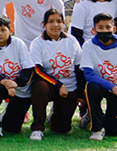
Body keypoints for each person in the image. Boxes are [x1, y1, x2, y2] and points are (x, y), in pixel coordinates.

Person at [28, 9, 81, 140]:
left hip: (69, 87)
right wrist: (58, 85)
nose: (55, 25)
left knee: (62, 128)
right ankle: (38, 128)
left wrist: (81, 94)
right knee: (39, 87)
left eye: (59, 21)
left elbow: (80, 68)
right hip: (49, 85)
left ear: (64, 23)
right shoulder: (37, 43)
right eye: (51, 21)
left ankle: (53, 117)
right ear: (44, 24)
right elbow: (38, 71)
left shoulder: (72, 41)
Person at [81, 13, 117, 141]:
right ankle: (97, 128)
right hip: (102, 87)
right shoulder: (88, 46)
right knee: (91, 87)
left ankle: (94, 116)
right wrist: (112, 87)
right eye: (100, 27)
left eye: (108, 27)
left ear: (114, 29)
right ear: (94, 30)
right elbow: (89, 74)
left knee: (113, 130)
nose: (104, 31)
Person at [0, 15, 33, 141]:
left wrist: (16, 84)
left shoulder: (19, 44)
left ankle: (5, 117)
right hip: (2, 86)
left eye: (3, 30)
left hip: (21, 89)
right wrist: (6, 84)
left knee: (12, 129)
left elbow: (28, 69)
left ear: (11, 30)